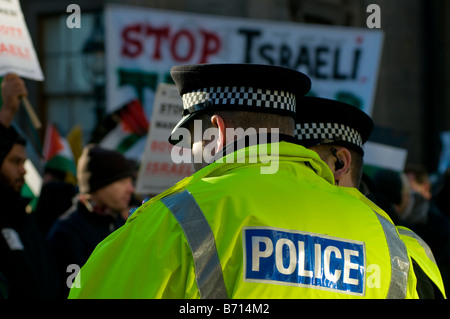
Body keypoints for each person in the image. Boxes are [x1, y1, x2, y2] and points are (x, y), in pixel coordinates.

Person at [71, 63, 418, 299]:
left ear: (218, 133)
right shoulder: (382, 232)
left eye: (190, 139)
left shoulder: (177, 218)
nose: (189, 158)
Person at [294, 96, 446, 298]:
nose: (288, 173)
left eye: (303, 163)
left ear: (340, 163)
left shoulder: (406, 251)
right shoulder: (403, 250)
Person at [47, 144, 135, 298]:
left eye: (130, 181)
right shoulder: (67, 233)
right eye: (122, 182)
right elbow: (73, 291)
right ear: (98, 186)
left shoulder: (118, 222)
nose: (131, 189)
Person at [0, 73, 58, 298]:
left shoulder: (26, 220)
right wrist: (6, 114)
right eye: (14, 161)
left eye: (24, 162)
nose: (23, 170)